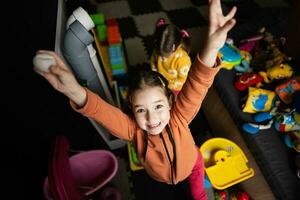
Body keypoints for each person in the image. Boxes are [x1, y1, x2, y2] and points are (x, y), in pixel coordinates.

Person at [34, 0, 237, 199]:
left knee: (199, 194)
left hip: (193, 162)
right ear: (131, 108)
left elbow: (197, 83)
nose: (152, 118)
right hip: (160, 178)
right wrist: (73, 90)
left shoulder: (180, 116)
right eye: (141, 110)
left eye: (158, 106)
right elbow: (101, 112)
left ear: (170, 102)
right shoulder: (133, 131)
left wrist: (211, 46)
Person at [150, 17, 192, 96]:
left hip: (175, 87)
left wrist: (167, 84)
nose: (162, 59)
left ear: (173, 48)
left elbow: (183, 80)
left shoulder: (183, 60)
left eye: (165, 56)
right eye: (160, 55)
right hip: (160, 81)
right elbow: (153, 61)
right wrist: (155, 74)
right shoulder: (157, 49)